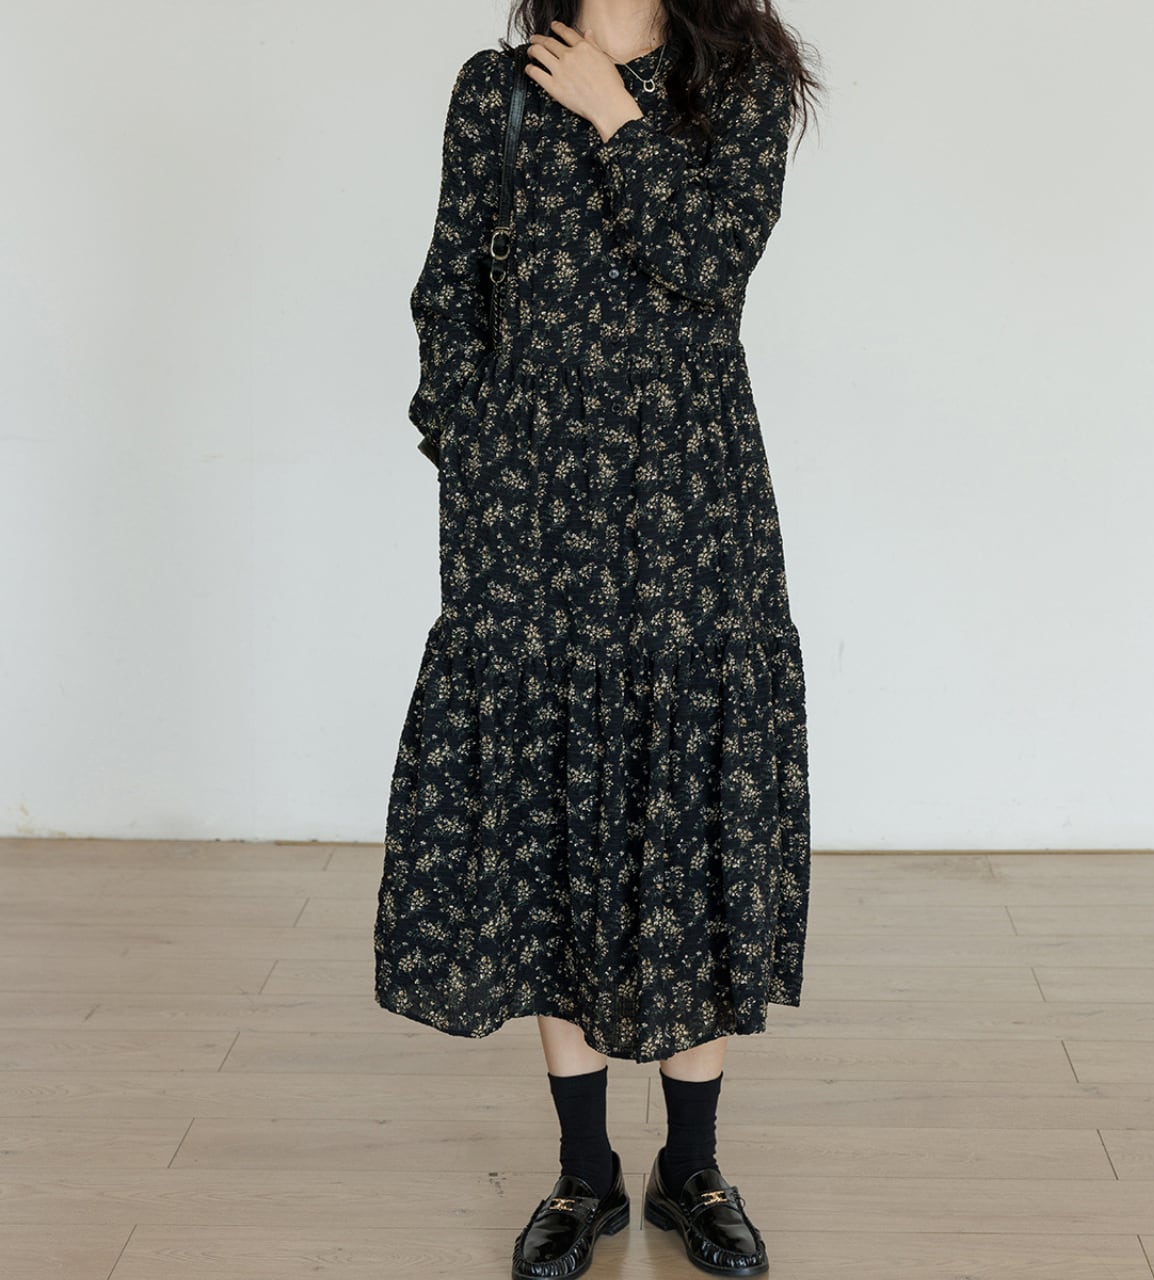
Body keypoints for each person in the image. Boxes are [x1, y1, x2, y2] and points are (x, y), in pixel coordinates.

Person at [374, 2, 823, 1275]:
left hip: (690, 499)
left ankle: (694, 1168)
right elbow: (448, 289)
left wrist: (618, 119)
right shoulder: (495, 88)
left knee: (687, 807)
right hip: (529, 509)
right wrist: (475, 454)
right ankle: (584, 1173)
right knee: (551, 814)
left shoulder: (736, 85)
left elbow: (712, 258)